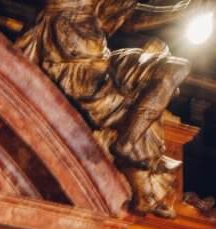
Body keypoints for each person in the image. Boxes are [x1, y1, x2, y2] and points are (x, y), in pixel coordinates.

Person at [18, 0, 190, 216]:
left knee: (168, 73)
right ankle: (131, 149)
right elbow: (126, 17)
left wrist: (183, 10)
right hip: (73, 59)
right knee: (163, 76)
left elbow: (128, 17)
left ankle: (131, 146)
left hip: (95, 57)